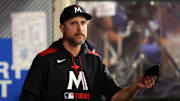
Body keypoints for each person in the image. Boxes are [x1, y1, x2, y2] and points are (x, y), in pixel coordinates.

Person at [20, 4, 157, 101]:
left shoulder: (95, 60)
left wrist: (136, 86)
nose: (80, 27)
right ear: (62, 28)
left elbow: (115, 96)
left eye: (83, 23)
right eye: (73, 23)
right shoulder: (45, 59)